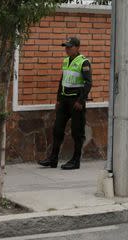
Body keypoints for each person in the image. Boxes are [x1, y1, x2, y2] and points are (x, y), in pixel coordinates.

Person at [39, 36, 92, 170]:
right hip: (64, 100)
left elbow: (88, 83)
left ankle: (75, 160)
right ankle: (53, 159)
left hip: (76, 102)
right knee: (57, 129)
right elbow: (62, 81)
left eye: (70, 47)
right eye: (66, 47)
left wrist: (81, 100)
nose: (67, 49)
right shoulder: (66, 61)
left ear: (77, 47)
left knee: (77, 132)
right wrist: (58, 99)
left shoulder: (84, 62)